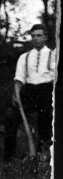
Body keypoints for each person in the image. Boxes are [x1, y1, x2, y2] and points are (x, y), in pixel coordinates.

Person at [5, 24, 56, 160]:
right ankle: (9, 157)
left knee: (45, 120)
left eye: (39, 36)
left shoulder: (54, 55)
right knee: (11, 116)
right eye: (33, 36)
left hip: (48, 92)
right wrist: (16, 95)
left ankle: (43, 155)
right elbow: (19, 79)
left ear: (45, 37)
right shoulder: (24, 57)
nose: (36, 39)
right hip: (29, 93)